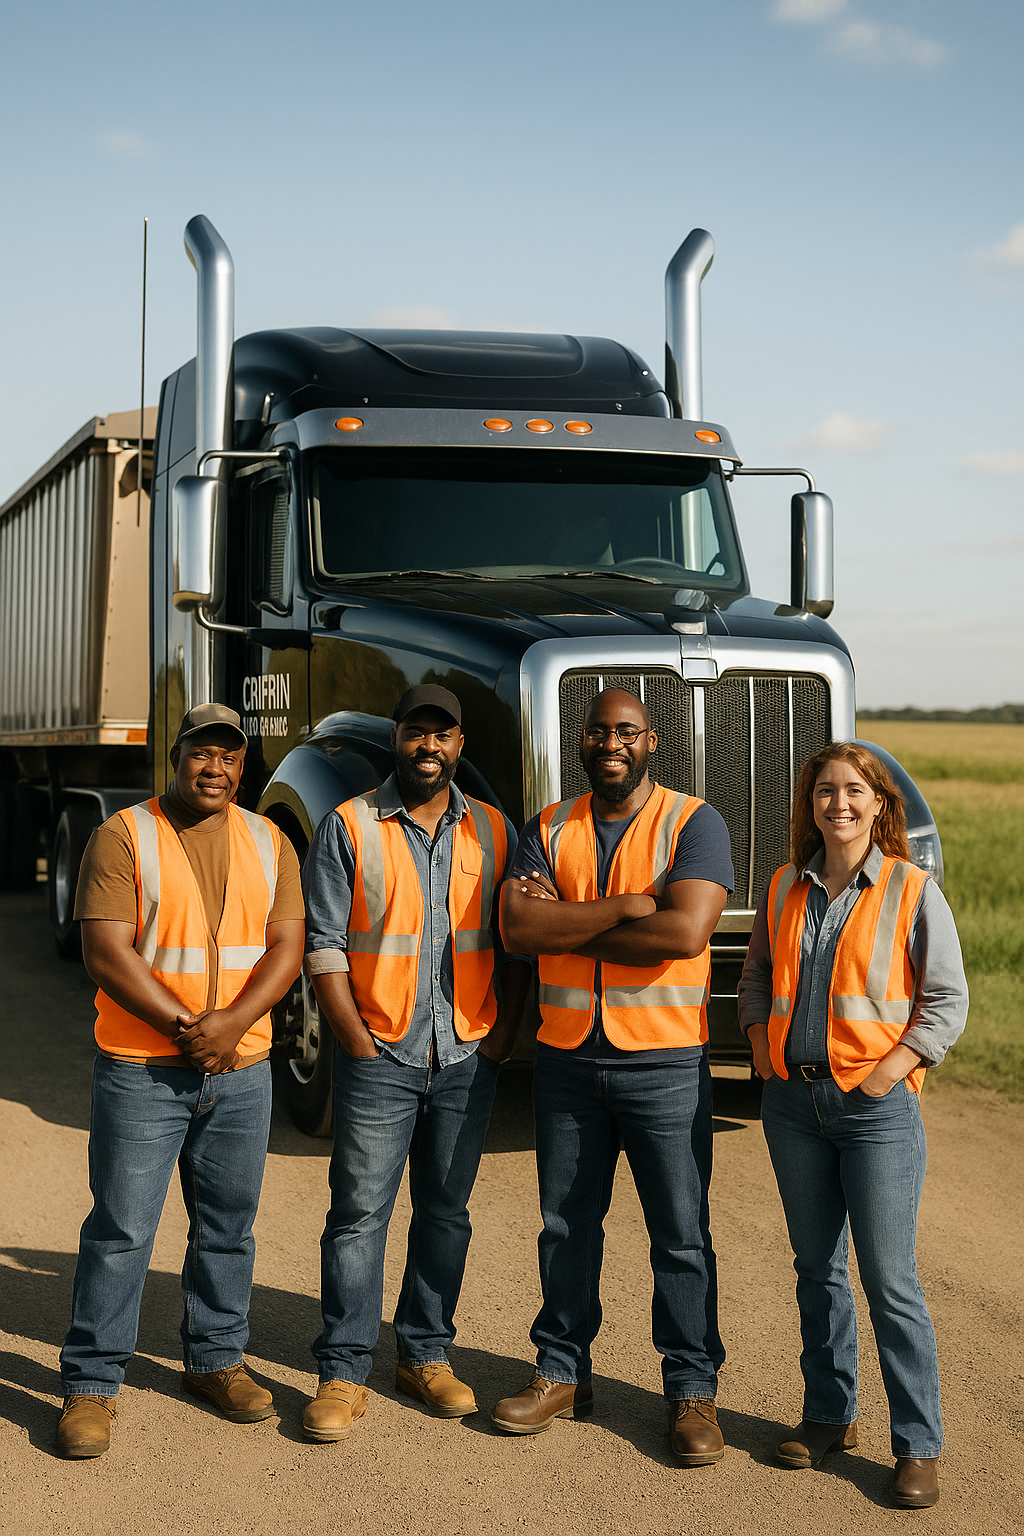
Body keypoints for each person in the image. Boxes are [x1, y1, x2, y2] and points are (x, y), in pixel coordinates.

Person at [57, 703, 306, 1459]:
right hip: (142, 1071)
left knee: (229, 1230)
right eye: (203, 754)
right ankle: (92, 1385)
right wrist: (188, 1029)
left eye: (231, 758)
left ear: (244, 767)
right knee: (122, 1230)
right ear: (177, 756)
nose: (217, 769)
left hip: (242, 1070)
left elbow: (287, 947)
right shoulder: (123, 834)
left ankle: (217, 1361)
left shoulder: (270, 841)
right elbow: (106, 952)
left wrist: (231, 1027)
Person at [493, 687, 734, 1463]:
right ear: (583, 741)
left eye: (626, 731)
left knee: (681, 1236)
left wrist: (570, 923)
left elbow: (685, 931)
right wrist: (627, 906)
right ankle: (562, 1372)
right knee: (566, 1228)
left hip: (665, 1063)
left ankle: (692, 1392)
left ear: (651, 740)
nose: (611, 744)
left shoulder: (694, 823)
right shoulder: (548, 826)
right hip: (567, 1058)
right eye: (598, 732)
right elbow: (518, 926)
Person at [738, 742, 968, 1511]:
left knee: (890, 1279)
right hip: (792, 1107)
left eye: (854, 791)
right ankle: (830, 1415)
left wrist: (887, 1071)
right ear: (811, 806)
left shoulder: (911, 888)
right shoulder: (782, 888)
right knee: (815, 1269)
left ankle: (918, 1444)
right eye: (825, 792)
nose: (838, 803)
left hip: (876, 1112)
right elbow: (756, 976)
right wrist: (761, 1050)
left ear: (879, 804)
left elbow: (945, 1003)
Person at [301, 684, 531, 1442]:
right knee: (358, 1215)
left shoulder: (496, 831)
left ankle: (425, 1354)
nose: (427, 746)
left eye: (442, 735)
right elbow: (324, 945)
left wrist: (502, 1036)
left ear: (460, 746)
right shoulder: (349, 825)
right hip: (381, 1051)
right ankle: (343, 1370)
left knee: (446, 1211)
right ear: (394, 738)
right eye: (415, 733)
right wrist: (353, 1039)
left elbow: (516, 942)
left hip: (467, 1050)